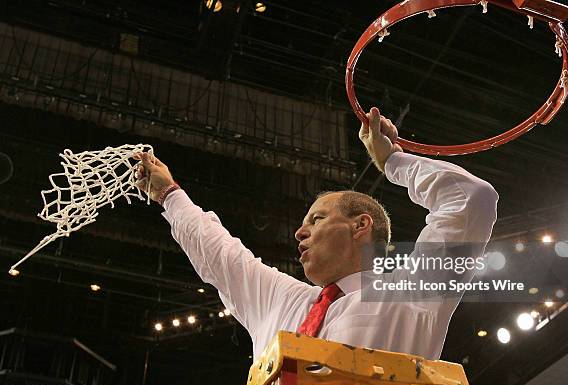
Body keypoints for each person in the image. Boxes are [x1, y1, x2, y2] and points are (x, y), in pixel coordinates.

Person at [134, 107, 498, 360]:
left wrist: (392, 162)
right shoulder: (282, 299)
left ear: (361, 226)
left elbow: (471, 199)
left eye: (316, 219)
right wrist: (169, 195)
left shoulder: (412, 291)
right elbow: (220, 253)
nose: (298, 232)